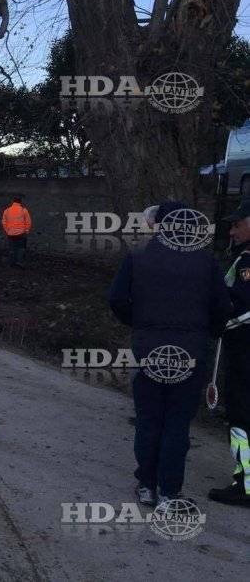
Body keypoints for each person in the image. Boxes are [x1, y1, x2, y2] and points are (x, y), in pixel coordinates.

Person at [109, 201, 231, 505]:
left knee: (149, 418)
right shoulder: (206, 262)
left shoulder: (138, 258)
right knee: (178, 422)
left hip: (149, 348)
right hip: (191, 351)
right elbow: (222, 308)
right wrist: (208, 332)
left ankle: (146, 485)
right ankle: (170, 491)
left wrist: (139, 324)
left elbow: (117, 299)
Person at [209, 197, 250, 507]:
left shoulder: (248, 261)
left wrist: (217, 321)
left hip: (244, 353)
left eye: (237, 225)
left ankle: (245, 486)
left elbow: (242, 307)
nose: (232, 231)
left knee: (241, 419)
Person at [1, 196, 31, 267]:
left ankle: (12, 262)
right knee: (21, 248)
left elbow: (4, 222)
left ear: (13, 201)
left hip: (11, 233)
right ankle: (19, 261)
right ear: (20, 201)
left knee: (12, 248)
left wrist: (7, 230)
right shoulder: (24, 210)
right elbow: (28, 222)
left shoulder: (7, 210)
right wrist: (26, 231)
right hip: (21, 233)